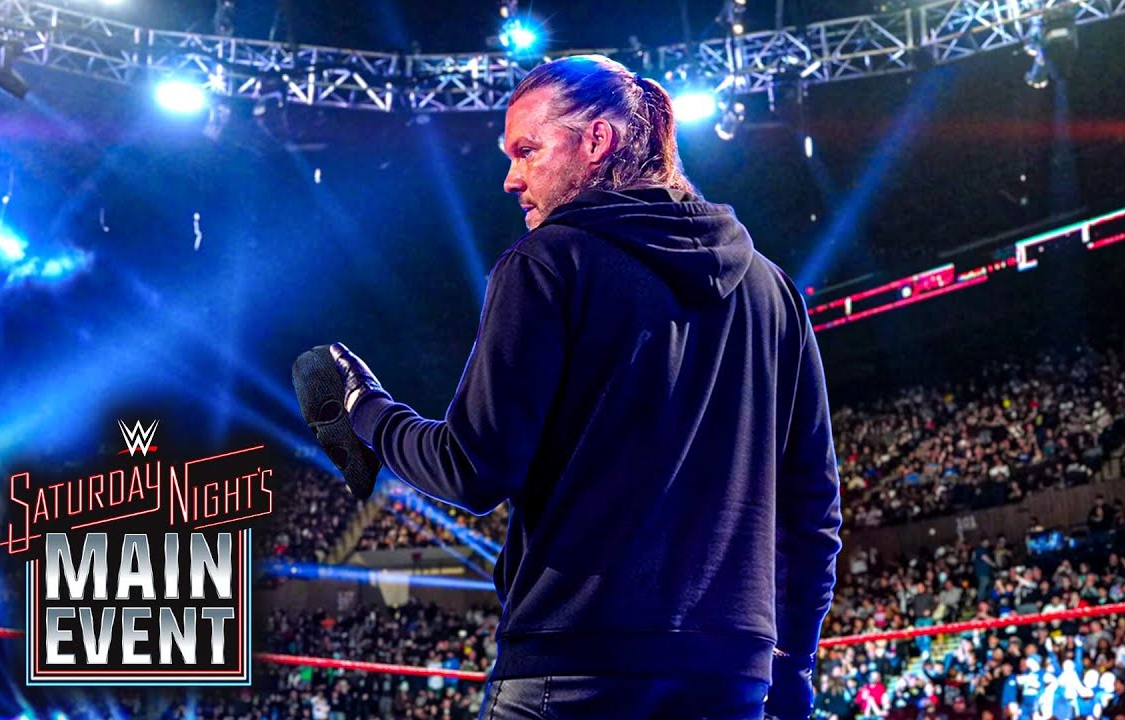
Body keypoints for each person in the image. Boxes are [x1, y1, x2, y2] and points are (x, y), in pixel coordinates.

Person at [327, 54, 842, 719]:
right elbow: (812, 508)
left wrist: (364, 409)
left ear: (596, 140)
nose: (510, 178)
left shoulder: (547, 262)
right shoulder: (773, 290)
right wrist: (793, 667)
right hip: (730, 677)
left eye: (526, 151)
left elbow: (471, 469)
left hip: (574, 665)